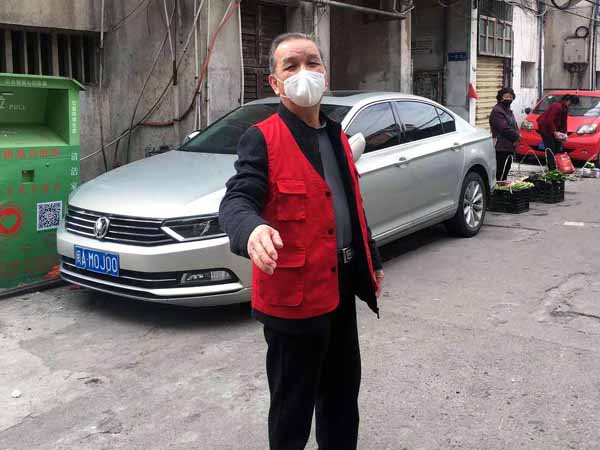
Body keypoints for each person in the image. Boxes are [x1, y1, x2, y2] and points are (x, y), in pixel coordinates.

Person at [219, 32, 384, 450]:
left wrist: (372, 258)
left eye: (312, 62)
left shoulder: (336, 134)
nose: (304, 72)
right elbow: (237, 198)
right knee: (292, 409)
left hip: (340, 286)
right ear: (275, 83)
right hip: (293, 300)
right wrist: (252, 229)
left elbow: (350, 205)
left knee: (342, 397)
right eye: (290, 66)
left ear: (325, 72)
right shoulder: (262, 138)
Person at [537, 94, 579, 170]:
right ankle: (552, 168)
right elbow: (549, 120)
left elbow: (564, 122)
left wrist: (564, 133)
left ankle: (556, 165)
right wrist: (554, 132)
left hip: (555, 128)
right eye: (571, 104)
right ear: (567, 101)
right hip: (546, 128)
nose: (571, 106)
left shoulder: (565, 108)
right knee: (550, 148)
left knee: (557, 147)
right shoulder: (557, 106)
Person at [489, 87, 520, 181]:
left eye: (510, 97)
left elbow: (514, 125)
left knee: (505, 171)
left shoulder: (508, 110)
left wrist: (517, 136)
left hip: (509, 147)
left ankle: (502, 186)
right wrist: (517, 136)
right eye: (506, 96)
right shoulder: (497, 111)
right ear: (500, 98)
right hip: (501, 147)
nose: (508, 99)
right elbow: (504, 128)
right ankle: (498, 189)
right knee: (500, 172)